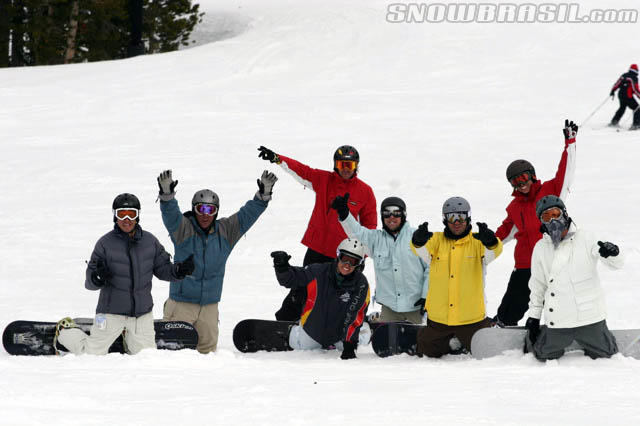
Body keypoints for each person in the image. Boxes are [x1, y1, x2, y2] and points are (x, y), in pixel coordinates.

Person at [54, 193, 195, 355]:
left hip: (141, 314)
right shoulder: (104, 244)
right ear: (115, 216)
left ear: (138, 216)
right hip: (111, 312)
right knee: (90, 353)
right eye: (122, 214)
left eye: (131, 214)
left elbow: (163, 269)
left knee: (147, 356)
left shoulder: (150, 242)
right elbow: (89, 282)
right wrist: (97, 278)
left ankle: (129, 338)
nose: (127, 219)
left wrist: (178, 271)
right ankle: (66, 331)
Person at [157, 169, 277, 354]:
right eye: (201, 209)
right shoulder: (183, 230)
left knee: (208, 355)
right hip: (181, 305)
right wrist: (167, 195)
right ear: (194, 209)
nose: (205, 215)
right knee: (173, 355)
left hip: (209, 308)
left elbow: (246, 216)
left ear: (216, 211)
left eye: (210, 210)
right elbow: (171, 215)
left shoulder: (225, 232)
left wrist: (263, 196)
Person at [257, 145, 377, 321]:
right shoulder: (323, 179)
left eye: (349, 165)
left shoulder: (365, 192)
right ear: (335, 164)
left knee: (344, 296)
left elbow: (370, 228)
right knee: (303, 287)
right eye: (341, 164)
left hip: (346, 256)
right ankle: (286, 322)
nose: (345, 169)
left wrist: (362, 256)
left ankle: (352, 325)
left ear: (356, 167)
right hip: (317, 250)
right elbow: (300, 170)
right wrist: (277, 158)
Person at [493, 119, 578, 327]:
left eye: (523, 178)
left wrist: (570, 143)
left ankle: (568, 327)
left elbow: (566, 172)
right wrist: (487, 239)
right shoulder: (514, 207)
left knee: (557, 300)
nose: (521, 185)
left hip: (552, 260)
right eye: (515, 182)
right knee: (512, 303)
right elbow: (504, 232)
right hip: (525, 264)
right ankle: (502, 328)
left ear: (532, 175)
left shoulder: (550, 190)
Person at [524, 195, 624, 361]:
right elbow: (538, 285)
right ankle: (550, 338)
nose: (552, 220)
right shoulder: (541, 248)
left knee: (606, 356)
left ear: (564, 213)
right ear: (542, 222)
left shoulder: (587, 238)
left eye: (555, 214)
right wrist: (534, 317)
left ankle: (598, 339)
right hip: (559, 319)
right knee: (543, 355)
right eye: (546, 217)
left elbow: (616, 264)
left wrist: (612, 253)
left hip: (589, 316)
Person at [410, 197, 503, 358]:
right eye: (451, 217)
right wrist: (418, 242)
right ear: (445, 219)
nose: (457, 221)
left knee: (486, 352)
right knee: (426, 351)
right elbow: (421, 251)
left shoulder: (478, 241)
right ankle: (452, 341)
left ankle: (478, 332)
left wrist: (491, 243)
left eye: (461, 216)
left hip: (471, 318)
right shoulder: (436, 239)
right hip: (439, 319)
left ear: (468, 217)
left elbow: (493, 253)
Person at [331, 194, 428, 324]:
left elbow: (431, 267)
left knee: (420, 342)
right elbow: (357, 233)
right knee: (387, 342)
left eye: (396, 213)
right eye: (387, 213)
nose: (391, 217)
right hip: (390, 309)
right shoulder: (376, 239)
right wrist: (344, 214)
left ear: (403, 215)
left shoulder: (416, 237)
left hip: (418, 307)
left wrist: (426, 296)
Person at [270, 238, 370, 360]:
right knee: (300, 344)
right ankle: (295, 330)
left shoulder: (361, 284)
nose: (347, 265)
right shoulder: (318, 272)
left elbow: (354, 314)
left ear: (359, 264)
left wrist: (349, 345)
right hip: (312, 333)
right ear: (338, 256)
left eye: (353, 261)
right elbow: (292, 279)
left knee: (362, 341)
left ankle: (366, 327)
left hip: (340, 337)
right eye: (345, 259)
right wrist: (283, 268)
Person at [609, 64, 640, 130]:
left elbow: (617, 83)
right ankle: (636, 125)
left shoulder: (624, 75)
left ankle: (614, 121)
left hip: (620, 95)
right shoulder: (634, 78)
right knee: (637, 108)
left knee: (622, 108)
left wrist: (612, 91)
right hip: (628, 96)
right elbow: (635, 89)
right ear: (636, 70)